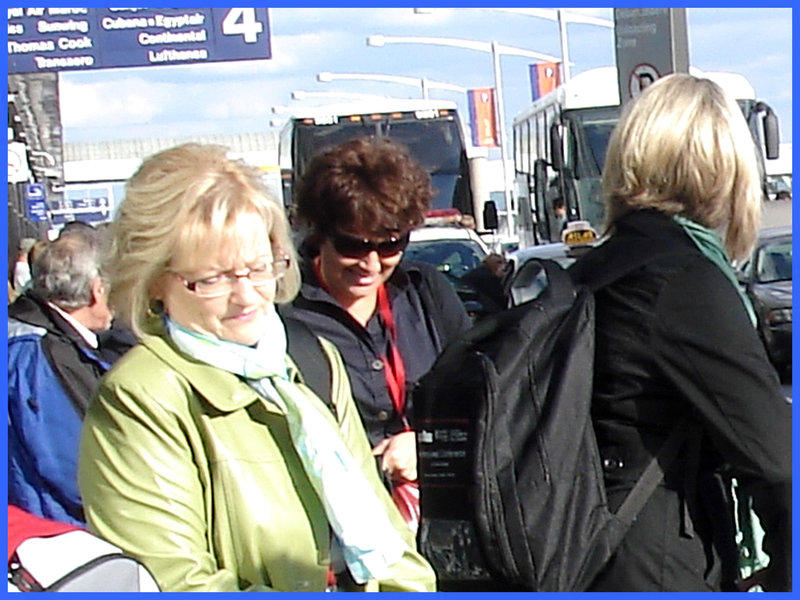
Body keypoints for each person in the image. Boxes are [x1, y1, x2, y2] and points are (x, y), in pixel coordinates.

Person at [77, 143, 435, 592]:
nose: (246, 296)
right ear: (155, 283)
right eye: (213, 278)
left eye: (259, 268)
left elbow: (393, 550)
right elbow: (176, 582)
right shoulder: (141, 398)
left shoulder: (312, 362)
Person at [569, 74, 791, 592]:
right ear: (726, 172)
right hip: (664, 562)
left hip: (584, 555)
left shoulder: (591, 272)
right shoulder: (686, 282)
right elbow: (778, 465)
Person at [281, 137, 471, 528]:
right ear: (319, 233)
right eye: (352, 245)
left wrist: (425, 447)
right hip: (335, 528)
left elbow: (482, 397)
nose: (370, 264)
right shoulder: (283, 312)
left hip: (439, 517)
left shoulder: (425, 292)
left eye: (390, 246)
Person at [8, 234, 113, 527]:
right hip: (54, 528)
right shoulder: (42, 357)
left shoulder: (23, 332)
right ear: (97, 290)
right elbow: (78, 468)